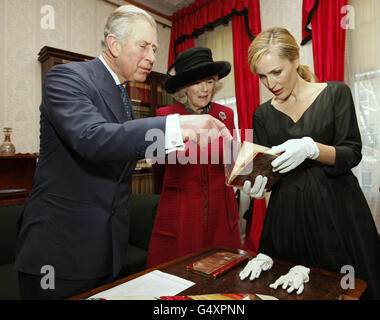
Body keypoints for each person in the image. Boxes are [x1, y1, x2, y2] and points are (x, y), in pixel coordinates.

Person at [14, 5, 232, 300]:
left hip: (107, 250)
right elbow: (91, 138)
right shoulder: (66, 77)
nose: (152, 57)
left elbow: (127, 147)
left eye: (154, 48)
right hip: (60, 252)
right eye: (143, 46)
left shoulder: (123, 97)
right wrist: (177, 126)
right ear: (114, 44)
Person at [240, 27, 380, 299]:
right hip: (287, 217)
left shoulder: (336, 93)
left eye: (276, 72)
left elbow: (352, 153)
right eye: (262, 76)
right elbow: (266, 168)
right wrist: (256, 185)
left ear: (295, 59)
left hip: (338, 211)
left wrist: (312, 148)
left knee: (346, 288)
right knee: (289, 290)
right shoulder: (262, 114)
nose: (270, 83)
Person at [146, 47, 242, 268]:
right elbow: (158, 168)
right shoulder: (165, 116)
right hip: (181, 212)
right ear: (183, 87)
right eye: (197, 82)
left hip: (221, 211)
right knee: (179, 278)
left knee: (222, 281)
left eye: (209, 81)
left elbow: (233, 159)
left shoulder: (225, 114)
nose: (204, 89)